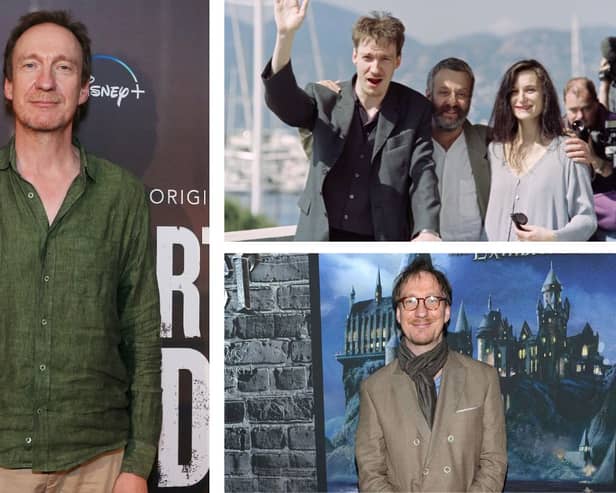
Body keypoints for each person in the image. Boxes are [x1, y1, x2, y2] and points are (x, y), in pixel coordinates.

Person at [0, 10, 161, 493]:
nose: (45, 81)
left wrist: (137, 466)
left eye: (63, 67)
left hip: (100, 464)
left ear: (85, 88)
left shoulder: (122, 196)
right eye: (30, 65)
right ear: (8, 85)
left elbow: (143, 337)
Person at [262, 0, 440, 241]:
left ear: (398, 60)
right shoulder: (325, 98)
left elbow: (423, 172)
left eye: (385, 59)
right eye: (368, 57)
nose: (375, 68)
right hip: (319, 237)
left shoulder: (415, 109)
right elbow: (284, 103)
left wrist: (427, 230)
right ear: (355, 56)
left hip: (381, 239)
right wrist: (285, 35)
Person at [355, 257, 507, 492]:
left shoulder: (484, 379)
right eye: (411, 301)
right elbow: (371, 474)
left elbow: (493, 463)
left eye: (433, 301)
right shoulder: (374, 389)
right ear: (398, 313)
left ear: (447, 312)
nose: (421, 311)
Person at [483, 59, 596, 241]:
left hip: (543, 264)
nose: (521, 98)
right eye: (514, 91)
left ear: (545, 96)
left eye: (530, 90)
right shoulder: (493, 152)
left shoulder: (568, 151)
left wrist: (554, 237)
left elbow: (587, 219)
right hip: (490, 265)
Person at [425, 58, 490, 241]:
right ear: (428, 95)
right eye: (444, 93)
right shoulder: (411, 146)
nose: (452, 102)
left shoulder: (488, 142)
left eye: (461, 94)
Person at [563, 77, 616, 240]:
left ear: (596, 103)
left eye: (586, 109)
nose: (580, 116)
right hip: (575, 209)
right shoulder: (559, 130)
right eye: (573, 110)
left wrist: (593, 159)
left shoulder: (612, 126)